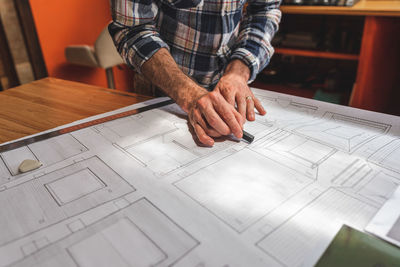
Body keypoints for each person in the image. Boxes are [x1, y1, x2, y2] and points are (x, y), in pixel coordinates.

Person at [109, 0, 281, 146]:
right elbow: (131, 29)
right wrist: (189, 94)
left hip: (226, 88)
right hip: (159, 91)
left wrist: (238, 71)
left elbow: (264, 10)